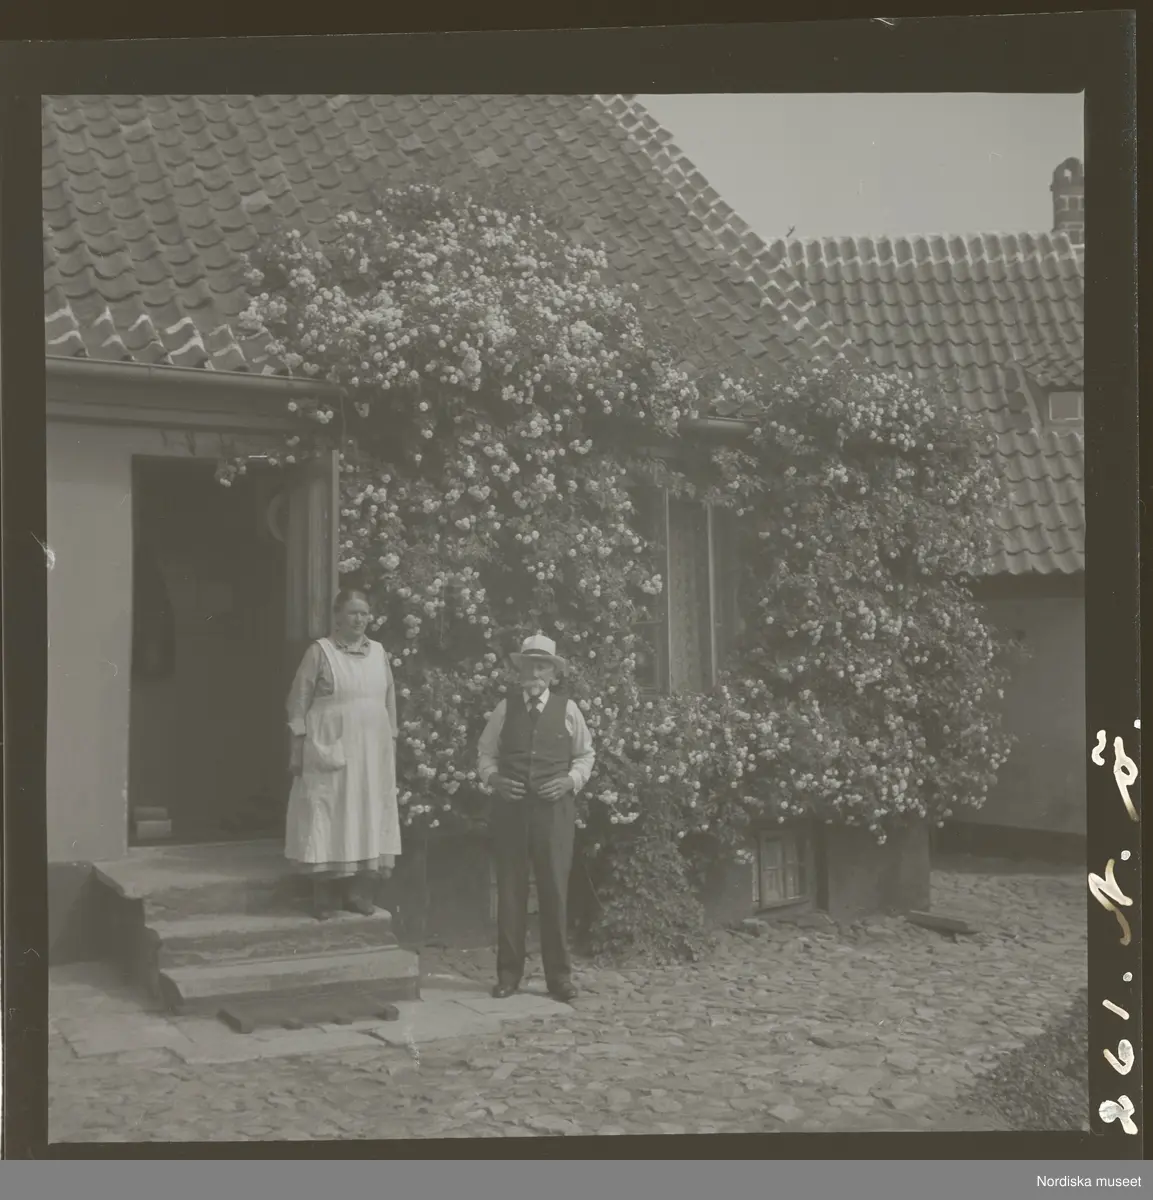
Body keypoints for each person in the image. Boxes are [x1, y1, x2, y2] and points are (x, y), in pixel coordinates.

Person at [477, 633, 595, 1002]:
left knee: (554, 892)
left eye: (542, 666)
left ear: (554, 674)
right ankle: (508, 975)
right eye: (529, 666)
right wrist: (495, 780)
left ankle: (558, 979)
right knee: (510, 892)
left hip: (553, 812)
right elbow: (485, 754)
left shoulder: (568, 709)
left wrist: (569, 781)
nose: (535, 673)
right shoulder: (504, 708)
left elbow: (586, 755)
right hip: (511, 811)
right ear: (520, 672)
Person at [285, 588, 401, 920]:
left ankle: (358, 894)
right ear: (337, 616)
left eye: (364, 613)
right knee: (329, 814)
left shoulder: (378, 653)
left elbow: (389, 699)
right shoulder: (320, 652)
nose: (359, 619)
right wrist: (297, 747)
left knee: (367, 813)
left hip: (372, 750)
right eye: (352, 613)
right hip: (331, 745)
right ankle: (325, 897)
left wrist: (391, 738)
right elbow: (298, 702)